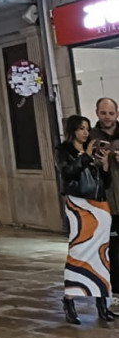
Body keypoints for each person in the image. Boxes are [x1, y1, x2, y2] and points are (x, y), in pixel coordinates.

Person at [54, 115, 114, 324]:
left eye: (87, 129)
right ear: (72, 130)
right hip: (79, 205)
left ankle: (102, 304)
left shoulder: (92, 150)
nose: (86, 133)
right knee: (79, 251)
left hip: (100, 205)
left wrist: (104, 164)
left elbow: (105, 182)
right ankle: (69, 299)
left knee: (101, 255)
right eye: (81, 129)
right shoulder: (64, 151)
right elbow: (68, 173)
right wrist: (86, 157)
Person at [91, 97, 119, 303]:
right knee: (113, 252)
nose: (107, 117)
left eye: (111, 113)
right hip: (105, 204)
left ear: (117, 114)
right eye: (103, 113)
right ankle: (116, 295)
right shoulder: (90, 138)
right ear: (97, 113)